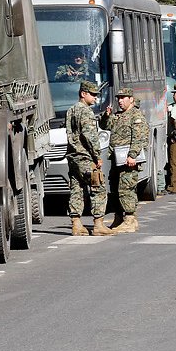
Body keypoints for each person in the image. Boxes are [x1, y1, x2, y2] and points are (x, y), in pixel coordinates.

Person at [65, 80, 115, 236]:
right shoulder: (85, 111)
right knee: (98, 188)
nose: (95, 98)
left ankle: (76, 224)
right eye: (92, 95)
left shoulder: (71, 110)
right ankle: (99, 224)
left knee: (76, 189)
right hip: (86, 157)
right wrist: (97, 155)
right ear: (83, 94)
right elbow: (90, 136)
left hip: (73, 156)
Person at [100, 87, 149, 233]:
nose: (120, 101)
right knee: (115, 189)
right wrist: (106, 116)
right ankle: (118, 217)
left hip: (128, 160)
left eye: (123, 98)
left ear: (131, 99)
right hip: (117, 160)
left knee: (126, 189)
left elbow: (139, 138)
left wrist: (132, 155)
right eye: (118, 98)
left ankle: (130, 220)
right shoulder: (118, 115)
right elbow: (105, 126)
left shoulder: (136, 116)